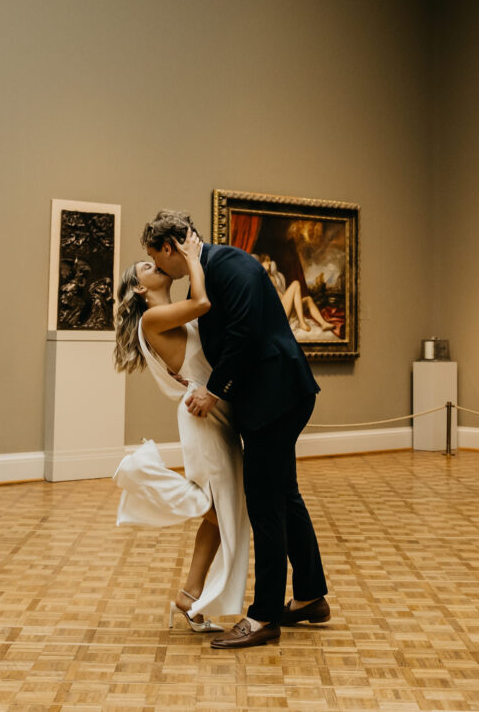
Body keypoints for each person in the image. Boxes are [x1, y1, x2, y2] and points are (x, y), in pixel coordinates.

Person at [144, 209, 329, 651]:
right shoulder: (211, 273)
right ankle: (308, 597)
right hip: (275, 396)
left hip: (275, 398)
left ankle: (263, 616)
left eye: (154, 256)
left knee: (265, 505)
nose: (157, 265)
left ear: (170, 248)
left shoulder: (231, 265)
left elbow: (245, 334)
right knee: (284, 493)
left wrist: (213, 390)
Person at [111, 230, 249, 632]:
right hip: (201, 417)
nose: (155, 264)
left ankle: (189, 598)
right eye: (146, 266)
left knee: (221, 516)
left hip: (214, 411)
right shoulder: (154, 318)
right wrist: (193, 257)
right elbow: (203, 302)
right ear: (139, 287)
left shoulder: (172, 314)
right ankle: (138, 472)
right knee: (221, 512)